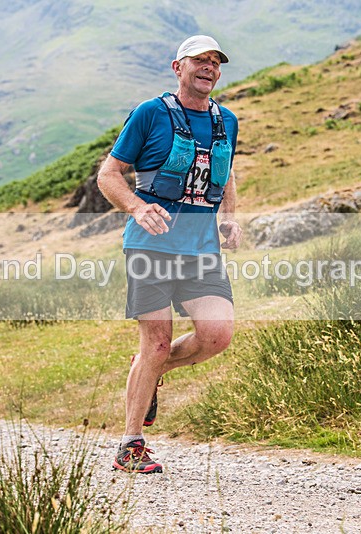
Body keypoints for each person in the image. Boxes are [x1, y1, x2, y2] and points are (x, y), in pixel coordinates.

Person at [97, 35, 242, 473]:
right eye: (200, 60)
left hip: (201, 250)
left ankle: (148, 370)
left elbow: (227, 170)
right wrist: (137, 207)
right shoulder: (150, 113)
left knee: (218, 335)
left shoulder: (227, 120)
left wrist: (228, 217)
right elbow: (109, 174)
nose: (209, 68)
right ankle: (130, 444)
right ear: (177, 67)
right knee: (156, 342)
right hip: (151, 247)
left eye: (216, 62)